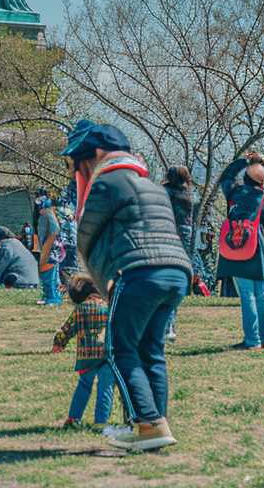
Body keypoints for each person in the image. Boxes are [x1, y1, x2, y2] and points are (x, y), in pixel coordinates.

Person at [68, 119, 191, 452]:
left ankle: (147, 423)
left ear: (95, 155)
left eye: (80, 163)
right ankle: (154, 422)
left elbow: (86, 235)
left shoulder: (107, 182)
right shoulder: (150, 184)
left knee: (119, 350)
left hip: (138, 273)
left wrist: (97, 283)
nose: (79, 170)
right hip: (177, 273)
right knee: (151, 351)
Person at [216, 155, 264, 351]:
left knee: (247, 295)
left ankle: (252, 340)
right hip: (257, 245)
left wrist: (244, 161)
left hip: (238, 244)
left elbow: (226, 177)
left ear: (246, 177)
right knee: (261, 295)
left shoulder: (236, 192)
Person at [52, 273, 114, 429]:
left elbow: (67, 328)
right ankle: (101, 422)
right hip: (108, 354)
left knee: (84, 385)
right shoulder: (109, 307)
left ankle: (73, 418)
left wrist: (59, 343)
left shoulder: (81, 309)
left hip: (86, 356)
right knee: (105, 387)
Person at [162, 166, 194, 342]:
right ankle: (170, 325)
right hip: (182, 244)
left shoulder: (164, 193)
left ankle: (165, 325)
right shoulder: (188, 195)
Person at [35, 197, 63, 305]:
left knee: (48, 276)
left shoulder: (48, 215)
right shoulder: (47, 215)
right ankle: (53, 296)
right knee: (53, 276)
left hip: (50, 252)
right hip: (52, 251)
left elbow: (54, 231)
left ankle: (51, 298)